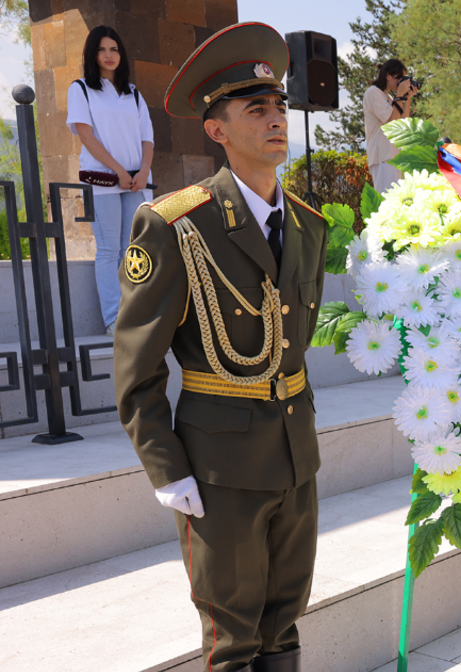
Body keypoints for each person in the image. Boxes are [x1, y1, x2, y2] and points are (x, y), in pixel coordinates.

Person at [114, 23, 328, 672]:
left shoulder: (308, 223)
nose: (274, 120)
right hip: (220, 467)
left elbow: (291, 342)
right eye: (254, 109)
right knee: (232, 642)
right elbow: (137, 367)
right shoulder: (177, 223)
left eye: (278, 107)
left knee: (284, 628)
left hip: (295, 456)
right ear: (217, 130)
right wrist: (166, 468)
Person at [67, 26, 153, 337]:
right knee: (108, 249)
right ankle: (114, 320)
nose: (109, 55)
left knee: (136, 249)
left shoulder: (134, 93)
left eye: (114, 49)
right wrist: (118, 170)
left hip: (136, 181)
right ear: (93, 54)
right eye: (103, 49)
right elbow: (86, 135)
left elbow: (147, 139)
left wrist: (143, 171)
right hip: (104, 179)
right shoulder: (81, 89)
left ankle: (137, 314)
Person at [363, 59, 414, 194]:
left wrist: (407, 97)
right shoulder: (373, 93)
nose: (401, 83)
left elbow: (402, 123)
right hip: (382, 157)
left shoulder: (388, 97)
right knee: (386, 203)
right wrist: (399, 96)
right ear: (388, 76)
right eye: (400, 79)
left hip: (391, 155)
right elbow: (390, 123)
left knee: (393, 204)